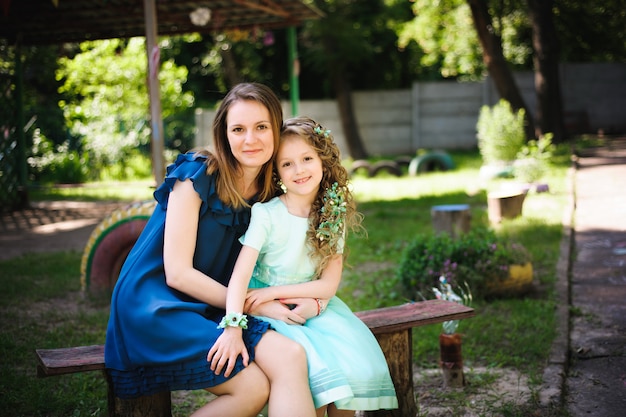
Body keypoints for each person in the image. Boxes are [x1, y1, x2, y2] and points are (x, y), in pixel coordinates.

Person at [104, 83, 317, 417]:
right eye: (239, 129)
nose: (251, 139)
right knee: (253, 387)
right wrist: (251, 308)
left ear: (277, 128)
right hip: (156, 304)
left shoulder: (271, 189)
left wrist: (307, 296)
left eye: (262, 127)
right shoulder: (197, 175)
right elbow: (177, 273)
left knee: (291, 356)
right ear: (224, 134)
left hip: (214, 302)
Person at [208, 117, 399, 417]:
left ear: (323, 161)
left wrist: (293, 296)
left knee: (352, 367)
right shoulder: (267, 214)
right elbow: (240, 275)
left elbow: (328, 285)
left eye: (307, 159)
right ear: (277, 172)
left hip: (313, 304)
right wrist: (235, 321)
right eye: (287, 164)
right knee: (316, 371)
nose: (299, 170)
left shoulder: (331, 213)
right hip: (270, 311)